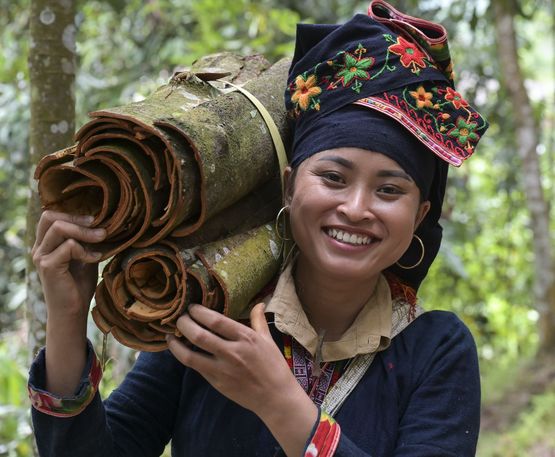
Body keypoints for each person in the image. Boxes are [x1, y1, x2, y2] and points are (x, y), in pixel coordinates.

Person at [28, 1, 489, 456]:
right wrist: (67, 320)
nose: (355, 208)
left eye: (389, 190)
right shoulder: (210, 310)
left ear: (421, 215)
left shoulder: (437, 351)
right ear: (289, 187)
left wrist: (280, 404)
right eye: (332, 177)